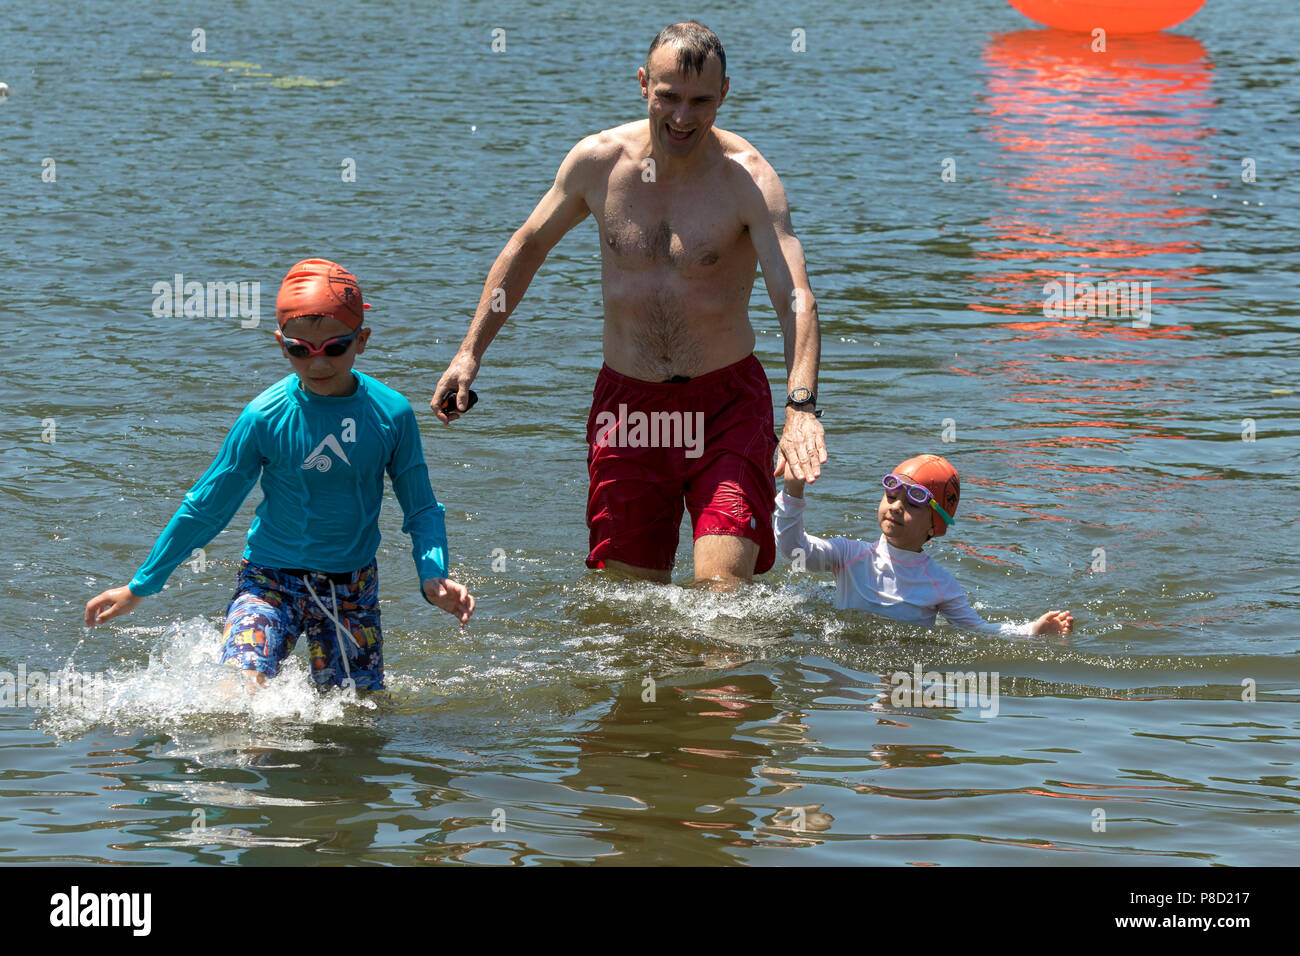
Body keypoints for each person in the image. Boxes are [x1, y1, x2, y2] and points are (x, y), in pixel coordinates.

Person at [431, 20, 827, 589]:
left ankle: (720, 680)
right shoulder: (599, 163)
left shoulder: (748, 180)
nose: (682, 118)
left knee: (724, 599)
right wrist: (470, 353)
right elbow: (528, 245)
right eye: (668, 97)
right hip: (630, 408)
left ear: (725, 94)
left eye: (700, 101)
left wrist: (801, 407)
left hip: (725, 409)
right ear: (644, 84)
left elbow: (795, 297)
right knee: (630, 606)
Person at [84, 258, 474, 690]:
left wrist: (432, 575)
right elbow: (207, 506)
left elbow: (420, 507)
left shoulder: (391, 414)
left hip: (351, 589)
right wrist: (141, 586)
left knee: (359, 720)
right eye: (299, 350)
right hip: (268, 579)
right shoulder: (263, 417)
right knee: (240, 691)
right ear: (280, 344)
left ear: (361, 340)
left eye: (334, 348)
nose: (317, 362)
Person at [776, 454, 1074, 636]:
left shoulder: (940, 584)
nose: (894, 507)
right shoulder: (848, 555)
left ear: (935, 525)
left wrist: (1032, 631)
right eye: (891, 497)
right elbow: (794, 549)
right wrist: (793, 490)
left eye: (911, 504)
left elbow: (980, 631)